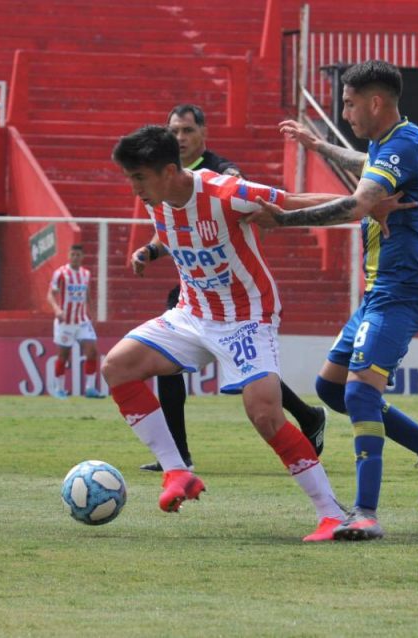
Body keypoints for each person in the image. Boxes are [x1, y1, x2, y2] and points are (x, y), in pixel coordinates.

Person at [107, 124, 389, 541]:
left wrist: (368, 206)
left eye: (139, 178)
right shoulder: (158, 198)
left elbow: (295, 202)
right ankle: (177, 471)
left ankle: (331, 513)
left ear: (168, 171)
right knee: (118, 366)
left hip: (245, 317)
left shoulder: (226, 193)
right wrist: (152, 249)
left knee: (264, 414)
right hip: (191, 313)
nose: (134, 189)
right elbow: (172, 227)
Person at [247, 60, 418, 541]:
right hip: (378, 292)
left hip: (400, 291)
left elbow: (357, 205)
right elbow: (365, 168)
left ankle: (365, 512)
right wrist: (320, 146)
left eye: (347, 103)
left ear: (375, 102)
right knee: (330, 389)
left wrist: (282, 222)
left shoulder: (402, 144)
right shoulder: (392, 142)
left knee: (362, 393)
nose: (344, 112)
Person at [139, 104, 328, 473]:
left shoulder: (218, 170)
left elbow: (238, 191)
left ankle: (306, 419)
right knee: (167, 362)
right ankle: (177, 454)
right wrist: (149, 250)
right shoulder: (163, 176)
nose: (180, 138)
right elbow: (171, 228)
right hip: (193, 292)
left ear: (203, 134)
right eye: (174, 130)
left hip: (231, 293)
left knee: (248, 373)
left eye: (187, 131)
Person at [46, 244, 105, 399]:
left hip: (82, 321)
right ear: (68, 255)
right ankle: (59, 389)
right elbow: (50, 295)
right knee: (63, 356)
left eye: (78, 255)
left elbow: (87, 295)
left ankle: (90, 389)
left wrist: (92, 313)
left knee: (92, 352)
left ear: (82, 257)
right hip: (65, 322)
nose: (75, 257)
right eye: (72, 254)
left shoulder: (86, 274)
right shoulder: (60, 273)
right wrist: (57, 310)